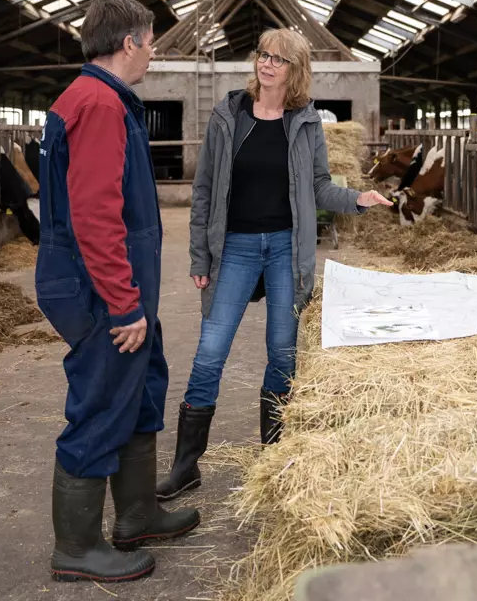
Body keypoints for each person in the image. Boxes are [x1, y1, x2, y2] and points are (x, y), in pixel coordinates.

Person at [156, 28, 392, 500]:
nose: (267, 64)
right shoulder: (228, 114)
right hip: (236, 248)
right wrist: (200, 256)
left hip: (285, 248)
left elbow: (320, 188)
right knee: (209, 353)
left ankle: (272, 460)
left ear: (295, 70)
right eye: (263, 54)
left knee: (282, 354)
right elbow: (203, 191)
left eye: (278, 59)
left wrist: (357, 199)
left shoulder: (304, 123)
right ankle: (186, 465)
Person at [36, 0, 198, 583]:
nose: (153, 53)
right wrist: (124, 303)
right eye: (151, 42)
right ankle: (77, 548)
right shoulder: (100, 105)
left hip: (118, 286)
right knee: (103, 401)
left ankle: (137, 513)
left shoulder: (91, 99)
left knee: (141, 389)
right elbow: (96, 214)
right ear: (128, 43)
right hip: (102, 289)